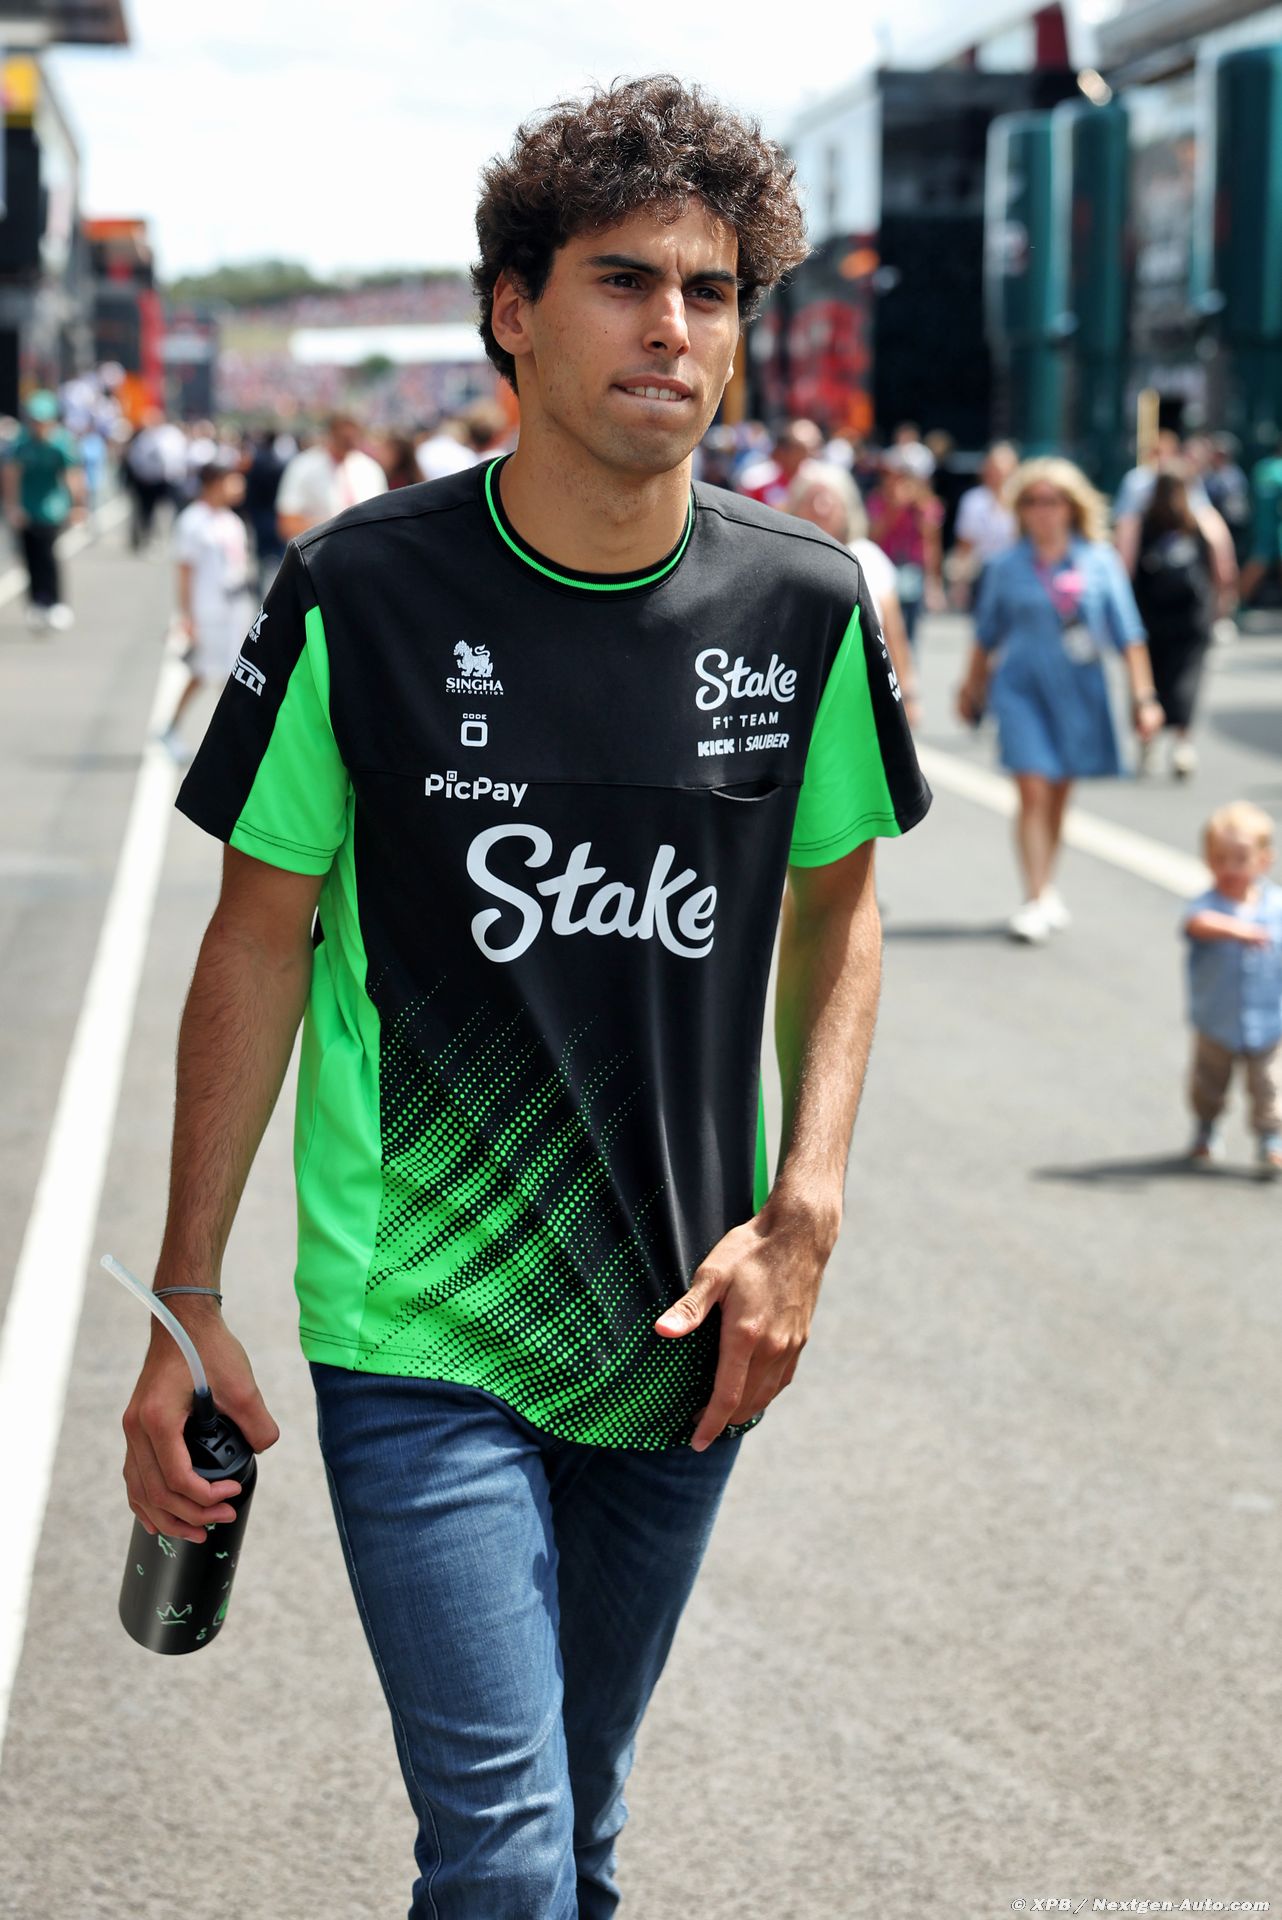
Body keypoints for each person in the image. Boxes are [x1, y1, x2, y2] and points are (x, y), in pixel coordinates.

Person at [120, 74, 931, 1919]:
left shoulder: (807, 604)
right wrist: (185, 1298)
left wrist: (805, 1208)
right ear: (513, 311)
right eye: (622, 280)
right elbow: (252, 938)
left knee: (580, 1824)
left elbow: (841, 906)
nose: (672, 328)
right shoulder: (355, 595)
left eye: (710, 291)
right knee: (499, 1845)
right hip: (417, 1317)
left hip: (688, 1315)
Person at [956, 456, 1164, 944]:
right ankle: (1034, 897)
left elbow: (1129, 636)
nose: (1042, 510)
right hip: (1021, 689)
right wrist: (971, 689)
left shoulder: (1100, 561)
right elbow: (985, 636)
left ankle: (1046, 885)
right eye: (1031, 501)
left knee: (1058, 795)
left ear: (1072, 507)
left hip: (1079, 691)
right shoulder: (1005, 565)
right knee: (1033, 788)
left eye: (1051, 501)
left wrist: (1145, 698)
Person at [1182, 801, 1282, 1175]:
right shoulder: (1208, 904)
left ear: (1263, 861)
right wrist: (1240, 930)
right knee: (1208, 1083)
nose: (1229, 868)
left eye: (1240, 859)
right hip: (1217, 1020)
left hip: (1269, 1021)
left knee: (1271, 1084)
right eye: (1219, 859)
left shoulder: (1276, 905)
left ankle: (1271, 1138)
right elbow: (1197, 923)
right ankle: (1206, 1127)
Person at [784, 459, 920, 727]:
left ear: (847, 508)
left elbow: (893, 635)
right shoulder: (781, 560)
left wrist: (908, 693)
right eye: (811, 499)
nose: (820, 508)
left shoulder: (867, 558)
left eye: (829, 499)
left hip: (859, 700)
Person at [1129, 468, 1221, 779]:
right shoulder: (1202, 520)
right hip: (1191, 616)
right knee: (1187, 679)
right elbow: (1224, 564)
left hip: (1149, 614)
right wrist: (1222, 606)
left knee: (1148, 677)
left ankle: (1148, 741)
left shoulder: (1140, 523)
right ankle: (1182, 744)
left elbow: (1124, 564)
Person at [160, 460, 254, 760]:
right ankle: (177, 730)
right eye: (232, 481)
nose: (239, 487)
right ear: (215, 483)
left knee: (226, 674)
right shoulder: (193, 521)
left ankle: (227, 739)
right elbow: (184, 570)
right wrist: (187, 616)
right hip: (208, 610)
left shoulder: (232, 520)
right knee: (208, 673)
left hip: (235, 608)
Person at [0, 389, 85, 631]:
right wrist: (12, 506)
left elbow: (72, 475)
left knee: (47, 555)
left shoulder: (61, 442)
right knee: (29, 557)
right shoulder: (21, 442)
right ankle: (36, 602)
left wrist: (77, 505)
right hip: (26, 508)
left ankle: (55, 601)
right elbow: (11, 475)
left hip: (52, 508)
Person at [866, 446, 944, 646]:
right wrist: (894, 507)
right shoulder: (877, 501)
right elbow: (874, 535)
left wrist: (933, 583)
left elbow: (931, 542)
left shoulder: (926, 505)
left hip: (913, 573)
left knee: (907, 635)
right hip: (883, 569)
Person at [275, 410, 387, 541]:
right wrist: (334, 529)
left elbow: (382, 517)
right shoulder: (303, 466)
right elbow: (287, 523)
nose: (349, 441)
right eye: (343, 436)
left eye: (353, 436)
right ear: (331, 434)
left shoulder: (370, 469)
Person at [951, 442, 1018, 607]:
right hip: (983, 575)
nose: (998, 474)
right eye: (994, 468)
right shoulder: (973, 500)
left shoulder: (1024, 501)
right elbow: (964, 545)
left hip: (1017, 574)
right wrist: (959, 584)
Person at [735, 417, 823, 507]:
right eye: (799, 450)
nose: (806, 456)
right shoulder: (757, 482)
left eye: (812, 449)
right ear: (781, 451)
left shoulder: (820, 483)